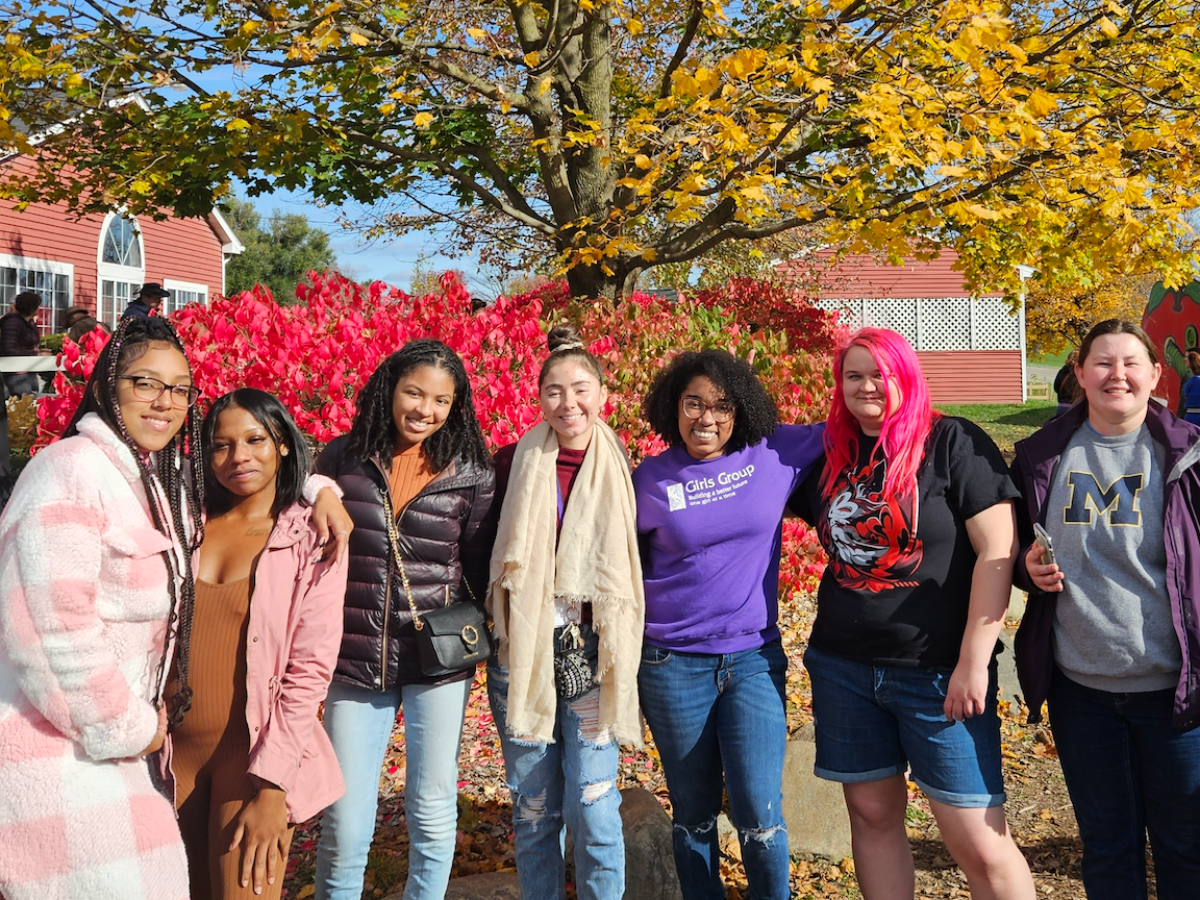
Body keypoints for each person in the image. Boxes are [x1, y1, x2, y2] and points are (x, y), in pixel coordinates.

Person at [790, 328, 1035, 900]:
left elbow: (998, 553)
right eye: (854, 375)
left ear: (908, 376)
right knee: (873, 819)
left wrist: (974, 662)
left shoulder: (952, 443)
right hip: (842, 667)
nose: (867, 386)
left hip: (938, 672)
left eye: (881, 373)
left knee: (977, 836)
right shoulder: (830, 456)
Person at [0, 315, 201, 900]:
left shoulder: (150, 480)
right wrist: (128, 727)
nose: (166, 401)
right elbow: (50, 627)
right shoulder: (67, 472)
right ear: (110, 385)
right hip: (59, 754)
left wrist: (321, 492)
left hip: (110, 751)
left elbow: (258, 476)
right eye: (146, 382)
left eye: (180, 387)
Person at [1012, 319, 1200, 900]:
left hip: (1175, 692)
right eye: (1102, 362)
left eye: (1130, 363)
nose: (1116, 374)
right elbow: (1014, 546)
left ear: (1155, 374)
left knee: (1185, 846)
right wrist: (1028, 567)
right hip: (1081, 691)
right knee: (1108, 844)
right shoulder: (1043, 454)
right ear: (1079, 372)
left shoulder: (1190, 456)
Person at [632, 349, 824, 900]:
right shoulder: (650, 479)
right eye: (694, 404)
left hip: (752, 660)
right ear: (675, 406)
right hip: (671, 663)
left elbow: (856, 423)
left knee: (760, 818)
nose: (706, 419)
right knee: (692, 816)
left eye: (721, 406)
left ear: (742, 412)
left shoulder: (775, 452)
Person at [313, 339, 496, 900]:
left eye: (441, 400)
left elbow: (482, 566)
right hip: (354, 653)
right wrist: (317, 488)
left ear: (456, 406)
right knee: (344, 815)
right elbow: (291, 483)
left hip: (437, 658)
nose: (425, 409)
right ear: (389, 389)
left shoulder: (470, 472)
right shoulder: (343, 459)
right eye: (414, 392)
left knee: (433, 803)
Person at [167, 389, 349, 900]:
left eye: (255, 440)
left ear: (283, 444)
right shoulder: (185, 523)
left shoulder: (310, 535)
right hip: (166, 758)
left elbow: (309, 670)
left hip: (249, 762)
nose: (238, 456)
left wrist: (273, 790)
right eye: (221, 446)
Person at [487, 325, 644, 900]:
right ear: (538, 397)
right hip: (522, 653)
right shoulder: (513, 463)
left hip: (591, 654)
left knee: (595, 805)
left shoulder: (625, 466)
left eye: (580, 388)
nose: (568, 402)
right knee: (533, 811)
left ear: (601, 394)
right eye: (554, 390)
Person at [0, 290, 44, 396]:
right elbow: (8, 349)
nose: (39, 309)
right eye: (37, 306)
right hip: (16, 374)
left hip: (28, 370)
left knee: (32, 404)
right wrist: (35, 354)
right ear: (31, 307)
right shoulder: (13, 323)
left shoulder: (29, 323)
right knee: (23, 407)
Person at [1176, 346, 1200, 425]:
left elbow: (1183, 401)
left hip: (1190, 419)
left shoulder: (1190, 377)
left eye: (1186, 357)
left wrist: (1178, 421)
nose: (1184, 359)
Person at [1053, 349, 1080, 418]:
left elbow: (1056, 387)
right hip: (1075, 407)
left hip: (1061, 406)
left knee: (1060, 428)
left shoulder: (1062, 372)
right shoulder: (1079, 374)